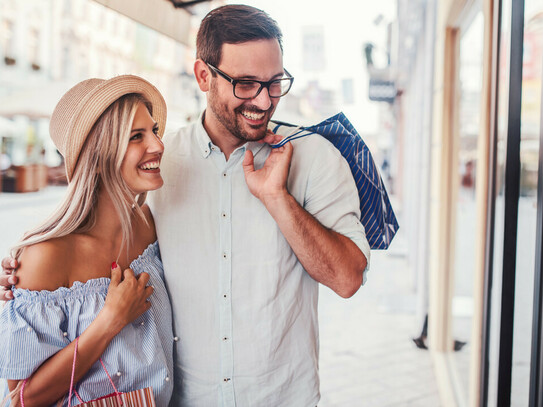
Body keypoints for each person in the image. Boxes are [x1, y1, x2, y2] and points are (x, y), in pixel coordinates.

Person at [2, 5, 370, 406]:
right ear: (202, 76)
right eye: (246, 83)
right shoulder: (163, 168)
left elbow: (348, 279)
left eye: (275, 82)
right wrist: (25, 278)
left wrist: (277, 199)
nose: (264, 101)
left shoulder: (312, 157)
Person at [0, 75, 174, 406]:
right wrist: (110, 320)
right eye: (136, 136)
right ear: (100, 153)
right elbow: (21, 399)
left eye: (153, 131)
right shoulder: (46, 256)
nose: (158, 145)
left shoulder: (148, 226)